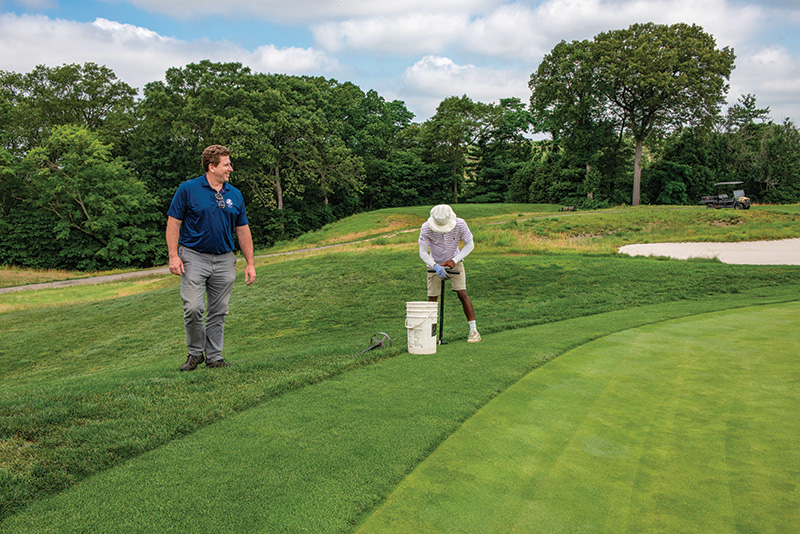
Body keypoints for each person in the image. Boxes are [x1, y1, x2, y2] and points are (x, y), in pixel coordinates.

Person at [166, 144, 256, 371]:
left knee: (219, 311)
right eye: (226, 165)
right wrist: (173, 255)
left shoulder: (234, 194)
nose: (231, 169)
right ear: (211, 167)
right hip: (194, 258)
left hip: (225, 259)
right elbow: (173, 223)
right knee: (193, 307)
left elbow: (243, 229)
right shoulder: (188, 189)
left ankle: (214, 357)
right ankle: (195, 353)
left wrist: (250, 263)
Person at [418, 204, 481, 343]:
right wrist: (435, 266)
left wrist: (454, 260)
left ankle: (473, 331)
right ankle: (431, 335)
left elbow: (470, 244)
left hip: (455, 260)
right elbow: (422, 252)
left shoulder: (460, 224)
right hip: (434, 262)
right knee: (432, 298)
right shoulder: (426, 227)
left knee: (462, 293)